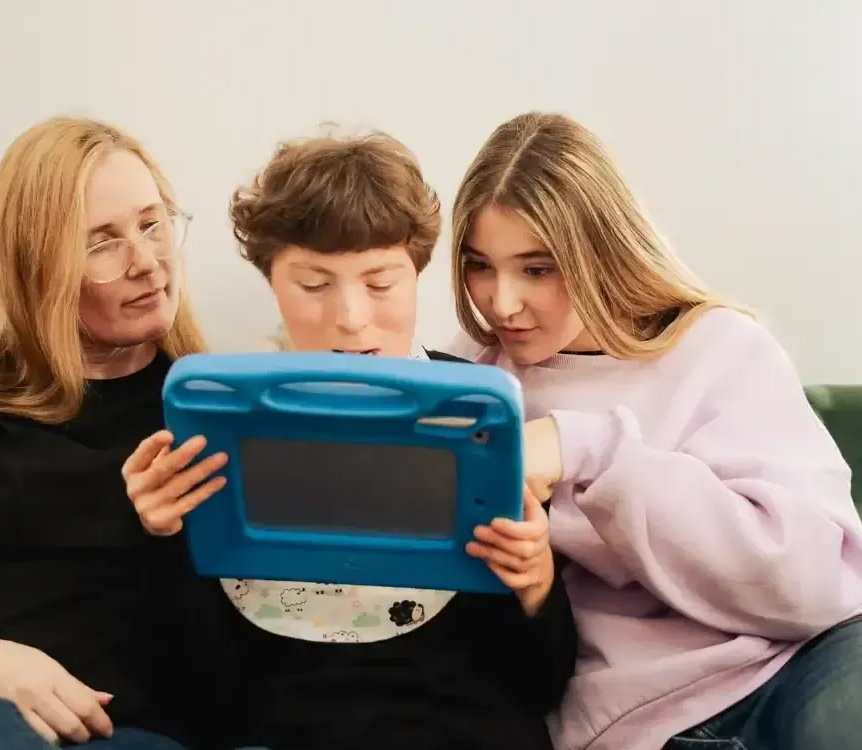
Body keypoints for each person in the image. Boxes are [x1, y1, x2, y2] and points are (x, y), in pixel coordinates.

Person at [123, 131, 578, 750]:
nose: (352, 318)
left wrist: (536, 584)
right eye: (314, 285)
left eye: (381, 283)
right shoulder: (218, 424)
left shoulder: (477, 413)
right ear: (272, 282)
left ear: (417, 273)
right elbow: (199, 702)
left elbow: (540, 685)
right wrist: (165, 540)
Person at [435, 111, 862, 750]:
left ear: (600, 251)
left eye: (537, 268)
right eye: (479, 266)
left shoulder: (718, 348)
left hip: (795, 662)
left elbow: (818, 585)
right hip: (640, 718)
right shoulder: (469, 380)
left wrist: (592, 451)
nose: (502, 302)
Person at [0, 116, 243, 750]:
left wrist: (165, 533)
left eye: (153, 224)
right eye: (102, 242)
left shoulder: (217, 415)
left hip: (122, 732)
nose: (146, 262)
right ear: (39, 264)